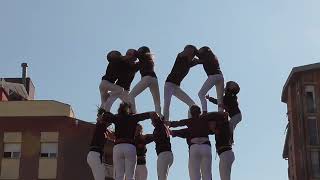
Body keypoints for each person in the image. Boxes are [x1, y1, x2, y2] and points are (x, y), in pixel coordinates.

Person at [167, 105, 228, 180]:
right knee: (207, 174)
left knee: (194, 174)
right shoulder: (205, 118)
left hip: (194, 147)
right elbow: (218, 115)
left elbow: (179, 124)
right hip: (206, 146)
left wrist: (170, 126)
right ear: (200, 112)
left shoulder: (190, 121)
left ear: (191, 114)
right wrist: (222, 116)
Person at [99, 102, 156, 180]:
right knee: (130, 176)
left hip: (118, 147)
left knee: (119, 176)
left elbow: (105, 116)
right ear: (129, 109)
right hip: (130, 146)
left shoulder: (116, 117)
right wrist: (155, 116)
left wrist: (103, 113)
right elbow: (147, 114)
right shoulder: (133, 117)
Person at [163, 45, 200, 120]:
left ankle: (191, 121)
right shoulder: (180, 57)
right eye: (189, 53)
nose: (190, 56)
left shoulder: (191, 63)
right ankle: (165, 123)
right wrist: (190, 50)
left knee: (192, 104)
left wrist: (199, 54)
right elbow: (184, 52)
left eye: (192, 55)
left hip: (176, 87)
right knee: (167, 104)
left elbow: (202, 60)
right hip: (169, 84)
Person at [129, 46, 161, 115]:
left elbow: (135, 53)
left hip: (147, 78)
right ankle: (160, 116)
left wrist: (129, 55)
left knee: (131, 95)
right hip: (154, 79)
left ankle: (133, 113)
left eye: (139, 51)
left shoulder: (144, 57)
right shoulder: (147, 60)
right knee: (157, 102)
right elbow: (133, 68)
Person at [196, 46, 224, 113]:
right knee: (220, 99)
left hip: (213, 76)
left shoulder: (207, 56)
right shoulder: (212, 55)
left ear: (204, 51)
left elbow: (198, 59)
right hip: (220, 76)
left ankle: (205, 111)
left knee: (201, 94)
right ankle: (221, 114)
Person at [87, 109, 111, 180]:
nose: (109, 124)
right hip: (95, 155)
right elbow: (100, 120)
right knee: (100, 177)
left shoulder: (102, 128)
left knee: (100, 177)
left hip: (94, 155)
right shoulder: (100, 126)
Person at [151, 113, 173, 180]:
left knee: (162, 177)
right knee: (162, 176)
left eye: (152, 121)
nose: (151, 123)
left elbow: (157, 138)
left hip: (164, 154)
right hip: (167, 153)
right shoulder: (163, 126)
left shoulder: (159, 127)